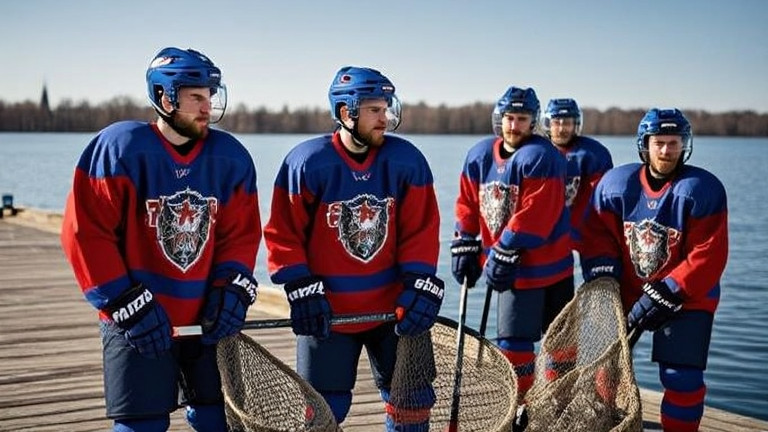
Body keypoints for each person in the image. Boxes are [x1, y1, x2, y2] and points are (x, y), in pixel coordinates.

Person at [60, 47, 262, 432]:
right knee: (141, 425)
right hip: (137, 318)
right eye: (196, 98)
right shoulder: (120, 148)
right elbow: (85, 234)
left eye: (210, 97)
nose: (208, 107)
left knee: (217, 417)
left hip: (206, 319)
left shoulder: (230, 157)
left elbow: (240, 236)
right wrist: (123, 301)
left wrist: (232, 289)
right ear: (165, 97)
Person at [263, 66, 443, 431]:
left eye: (386, 108)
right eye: (375, 110)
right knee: (324, 411)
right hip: (328, 310)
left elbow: (422, 230)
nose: (385, 117)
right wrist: (298, 284)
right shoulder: (307, 162)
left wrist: (420, 282)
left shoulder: (407, 161)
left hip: (393, 310)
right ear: (347, 112)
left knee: (413, 404)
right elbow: (283, 232)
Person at [580, 108, 728, 432]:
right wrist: (603, 270)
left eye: (673, 143)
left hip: (685, 298)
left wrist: (672, 288)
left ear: (684, 145)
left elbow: (709, 253)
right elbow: (595, 235)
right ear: (644, 144)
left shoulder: (702, 190)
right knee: (604, 370)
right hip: (629, 292)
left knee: (681, 377)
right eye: (659, 142)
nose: (666, 150)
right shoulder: (616, 185)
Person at [451, 86, 573, 400]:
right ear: (500, 118)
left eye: (521, 118)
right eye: (509, 117)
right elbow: (466, 201)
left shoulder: (542, 156)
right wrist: (465, 239)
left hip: (551, 268)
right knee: (513, 344)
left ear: (533, 123)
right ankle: (519, 405)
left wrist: (504, 247)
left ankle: (555, 403)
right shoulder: (479, 155)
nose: (513, 125)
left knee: (561, 346)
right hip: (513, 271)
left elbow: (535, 213)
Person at [541, 98, 613, 255]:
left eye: (566, 123)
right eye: (556, 122)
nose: (561, 128)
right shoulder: (536, 152)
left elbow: (597, 201)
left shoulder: (593, 154)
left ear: (576, 124)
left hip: (581, 231)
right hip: (544, 231)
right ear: (548, 124)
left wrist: (574, 231)